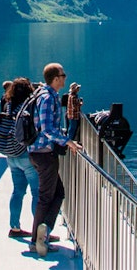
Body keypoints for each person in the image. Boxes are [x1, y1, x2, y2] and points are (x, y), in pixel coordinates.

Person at [28, 63, 83, 257]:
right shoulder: (47, 98)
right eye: (63, 75)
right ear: (55, 78)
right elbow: (47, 129)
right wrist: (69, 142)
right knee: (46, 197)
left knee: (58, 193)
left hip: (40, 153)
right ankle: (37, 240)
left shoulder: (47, 96)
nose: (65, 78)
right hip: (44, 154)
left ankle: (44, 230)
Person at [1, 78, 38, 238]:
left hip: (11, 155)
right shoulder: (28, 107)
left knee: (17, 191)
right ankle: (39, 232)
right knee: (37, 193)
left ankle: (14, 227)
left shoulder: (8, 105)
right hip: (25, 155)